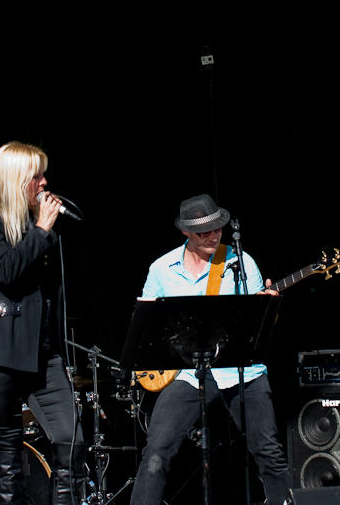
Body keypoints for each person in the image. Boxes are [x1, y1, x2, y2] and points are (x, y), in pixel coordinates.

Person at [130, 193, 291, 505]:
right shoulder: (162, 269)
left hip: (241, 371)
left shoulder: (241, 262)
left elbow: (259, 327)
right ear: (185, 232)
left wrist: (269, 310)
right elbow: (145, 323)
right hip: (189, 373)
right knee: (156, 453)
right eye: (204, 232)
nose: (213, 236)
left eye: (217, 228)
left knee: (269, 453)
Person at [0, 142, 84, 505]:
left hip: (42, 354)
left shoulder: (38, 227)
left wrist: (42, 229)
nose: (44, 183)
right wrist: (42, 229)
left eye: (44, 175)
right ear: (15, 179)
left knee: (71, 439)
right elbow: (6, 271)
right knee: (8, 446)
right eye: (36, 176)